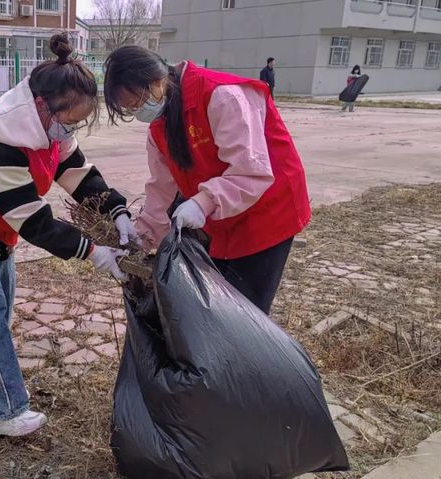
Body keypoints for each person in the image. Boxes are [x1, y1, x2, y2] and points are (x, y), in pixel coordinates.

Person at [0, 34, 137, 438]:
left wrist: (117, 210)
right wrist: (94, 252)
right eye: (69, 121)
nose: (69, 130)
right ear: (42, 105)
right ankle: (2, 412)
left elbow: (79, 175)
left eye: (76, 124)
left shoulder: (47, 126)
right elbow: (35, 222)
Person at [103, 46, 311, 315]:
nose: (138, 111)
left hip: (266, 212)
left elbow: (250, 171)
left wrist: (203, 202)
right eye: (130, 109)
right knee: (217, 303)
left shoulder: (221, 95)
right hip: (220, 215)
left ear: (157, 81)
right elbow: (160, 189)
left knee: (247, 310)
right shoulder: (159, 127)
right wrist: (140, 237)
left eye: (137, 102)